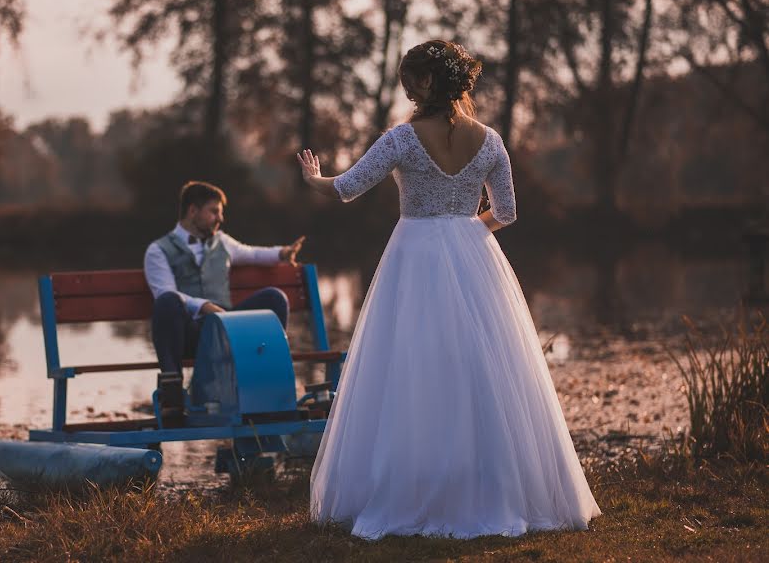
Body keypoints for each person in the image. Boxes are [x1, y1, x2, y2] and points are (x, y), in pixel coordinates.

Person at [297, 40, 601, 540]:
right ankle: (487, 485)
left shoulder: (401, 139)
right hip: (474, 253)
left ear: (425, 83)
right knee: (482, 369)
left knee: (411, 367)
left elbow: (349, 186)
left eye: (409, 79)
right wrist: (465, 230)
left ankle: (416, 484)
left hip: (413, 255)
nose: (405, 88)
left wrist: (313, 179)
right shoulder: (492, 142)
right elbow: (505, 213)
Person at [144, 181, 305, 423]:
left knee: (274, 298)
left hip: (226, 333)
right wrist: (203, 306)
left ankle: (264, 389)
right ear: (192, 211)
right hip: (189, 335)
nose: (220, 218)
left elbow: (251, 253)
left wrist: (282, 253)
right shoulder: (158, 251)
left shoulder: (223, 242)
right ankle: (173, 398)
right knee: (167, 302)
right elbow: (164, 291)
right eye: (214, 211)